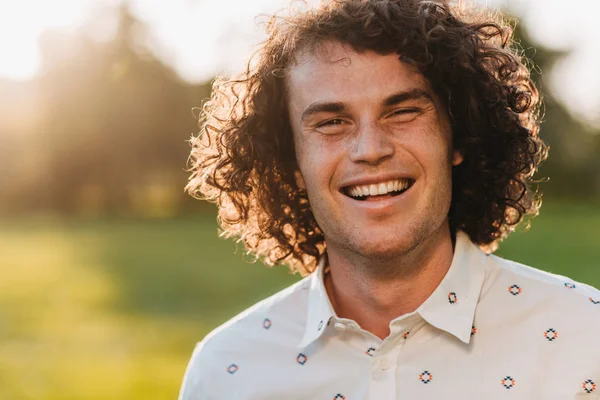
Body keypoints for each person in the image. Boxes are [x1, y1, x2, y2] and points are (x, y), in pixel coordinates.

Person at [179, 0, 600, 398]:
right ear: (291, 163)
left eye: (402, 112)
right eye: (331, 122)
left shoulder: (585, 339)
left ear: (458, 137)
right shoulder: (225, 373)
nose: (370, 149)